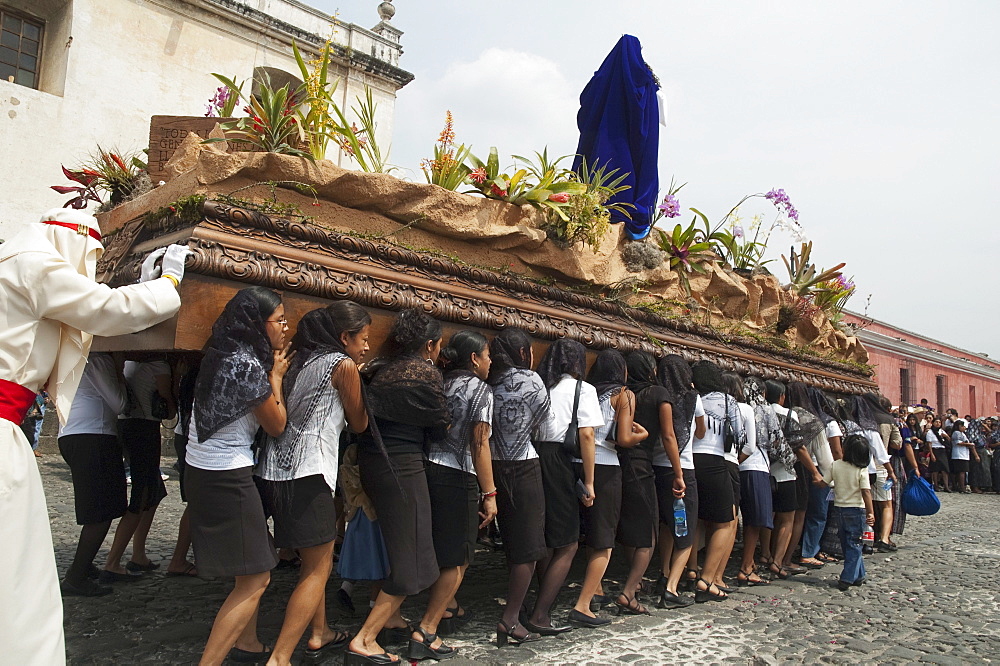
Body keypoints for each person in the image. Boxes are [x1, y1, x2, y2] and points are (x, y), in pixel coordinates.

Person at [0, 207, 188, 664]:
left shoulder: (16, 259)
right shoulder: (34, 262)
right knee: (16, 565)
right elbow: (107, 309)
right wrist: (168, 284)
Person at [257, 302, 373, 665]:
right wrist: (360, 381)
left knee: (311, 563)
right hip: (310, 471)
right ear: (344, 337)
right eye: (363, 339)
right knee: (318, 570)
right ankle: (280, 656)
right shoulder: (342, 365)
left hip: (276, 469)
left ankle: (319, 632)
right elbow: (359, 424)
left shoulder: (303, 359)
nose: (366, 346)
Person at [185, 287, 291, 666]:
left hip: (205, 469)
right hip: (225, 475)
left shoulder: (220, 352)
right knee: (256, 577)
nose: (285, 327)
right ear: (256, 323)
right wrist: (276, 377)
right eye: (279, 320)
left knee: (251, 564)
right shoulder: (246, 364)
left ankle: (246, 642)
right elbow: (277, 424)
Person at [347, 309, 451, 664]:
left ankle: (391, 617)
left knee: (399, 546)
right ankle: (365, 638)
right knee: (412, 558)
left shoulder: (381, 369)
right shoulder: (425, 373)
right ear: (430, 345)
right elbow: (440, 427)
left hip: (375, 463)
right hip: (402, 466)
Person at [421, 331, 498, 639]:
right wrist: (490, 493)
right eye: (487, 355)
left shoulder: (441, 382)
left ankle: (449, 605)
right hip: (457, 475)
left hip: (429, 468)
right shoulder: (480, 391)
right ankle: (427, 629)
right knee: (459, 557)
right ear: (474, 359)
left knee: (441, 547)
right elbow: (479, 445)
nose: (490, 361)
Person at [569, 350, 646, 624]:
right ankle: (583, 604)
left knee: (587, 532)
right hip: (605, 465)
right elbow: (624, 438)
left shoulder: (588, 391)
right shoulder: (624, 394)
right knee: (604, 539)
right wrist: (643, 434)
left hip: (577, 462)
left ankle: (597, 588)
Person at [486, 328, 550, 647]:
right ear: (523, 353)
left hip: (494, 464)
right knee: (530, 546)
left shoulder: (490, 379)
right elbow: (542, 418)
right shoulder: (532, 380)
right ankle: (510, 619)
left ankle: (517, 606)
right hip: (524, 463)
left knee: (513, 541)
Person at [531, 339, 601, 631]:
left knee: (547, 537)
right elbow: (586, 436)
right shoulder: (583, 390)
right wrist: (589, 480)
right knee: (568, 542)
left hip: (536, 456)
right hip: (562, 460)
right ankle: (542, 613)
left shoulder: (541, 386)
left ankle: (539, 601)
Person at [57, 353, 129, 597]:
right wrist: (119, 372)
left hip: (74, 433)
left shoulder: (73, 357)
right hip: (92, 435)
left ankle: (84, 567)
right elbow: (119, 403)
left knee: (99, 506)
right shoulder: (97, 359)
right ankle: (76, 577)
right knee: (100, 512)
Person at [616, 351, 680, 614]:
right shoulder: (659, 394)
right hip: (642, 463)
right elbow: (668, 435)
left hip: (618, 461)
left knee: (629, 526)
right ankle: (629, 590)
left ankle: (636, 580)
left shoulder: (624, 394)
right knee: (649, 532)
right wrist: (678, 472)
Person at [101, 358, 175, 583]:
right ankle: (113, 562)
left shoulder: (131, 363)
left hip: (126, 425)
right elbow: (169, 408)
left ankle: (139, 554)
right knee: (142, 495)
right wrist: (178, 380)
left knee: (153, 491)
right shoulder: (159, 365)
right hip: (144, 428)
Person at [653, 354, 705, 607]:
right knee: (686, 528)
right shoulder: (692, 398)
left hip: (656, 467)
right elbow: (701, 430)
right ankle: (672, 588)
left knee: (665, 524)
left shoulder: (657, 395)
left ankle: (663, 574)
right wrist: (680, 474)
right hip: (682, 468)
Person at [688, 360, 742, 601]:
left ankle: (689, 569)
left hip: (690, 460)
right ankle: (707, 578)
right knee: (724, 522)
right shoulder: (728, 401)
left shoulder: (691, 397)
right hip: (715, 460)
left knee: (695, 519)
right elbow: (739, 435)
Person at [824, 433, 875, 591]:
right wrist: (870, 512)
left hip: (839, 508)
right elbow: (866, 492)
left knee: (846, 542)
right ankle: (847, 577)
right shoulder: (862, 469)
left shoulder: (836, 465)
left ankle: (859, 574)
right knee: (855, 543)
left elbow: (825, 481)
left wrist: (816, 479)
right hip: (857, 509)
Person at [737, 376, 773, 587]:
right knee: (754, 521)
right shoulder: (762, 409)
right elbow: (775, 439)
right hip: (755, 465)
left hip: (735, 465)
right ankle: (746, 566)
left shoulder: (733, 406)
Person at [950, 419, 977, 493]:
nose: (964, 427)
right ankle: (962, 487)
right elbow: (958, 443)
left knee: (963, 471)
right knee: (961, 471)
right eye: (962, 426)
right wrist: (969, 444)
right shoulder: (956, 433)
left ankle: (961, 486)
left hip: (964, 454)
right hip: (959, 454)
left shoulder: (963, 433)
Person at [925, 417, 951, 491]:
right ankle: (935, 485)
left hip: (942, 450)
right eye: (936, 422)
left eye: (939, 422)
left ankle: (946, 486)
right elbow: (929, 444)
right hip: (934, 450)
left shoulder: (941, 431)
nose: (938, 424)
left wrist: (945, 436)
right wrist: (932, 454)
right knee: (935, 469)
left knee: (945, 469)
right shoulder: (930, 432)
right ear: (933, 423)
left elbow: (948, 440)